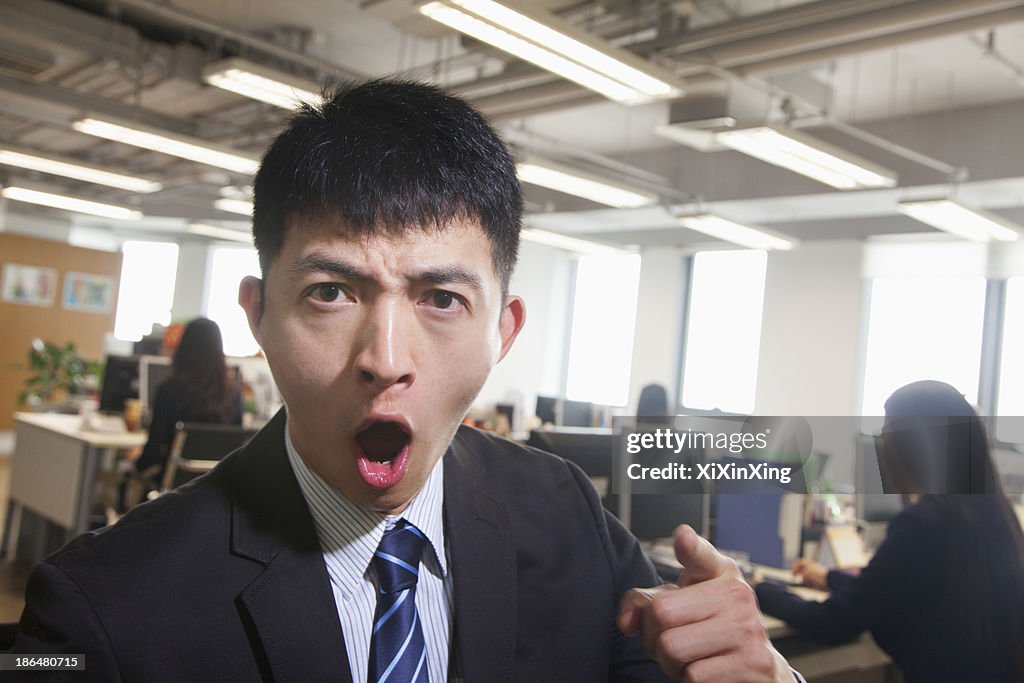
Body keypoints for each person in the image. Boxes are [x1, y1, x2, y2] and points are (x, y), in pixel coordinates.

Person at [11, 80, 798, 682]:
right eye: (330, 292)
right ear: (258, 313)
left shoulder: (562, 513)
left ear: (504, 332)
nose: (386, 357)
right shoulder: (98, 608)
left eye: (442, 299)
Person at [755, 380, 1024, 682]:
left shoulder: (923, 525)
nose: (881, 449)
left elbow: (834, 622)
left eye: (884, 436)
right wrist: (828, 577)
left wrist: (757, 588)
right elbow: (884, 588)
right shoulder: (992, 517)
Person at [134, 317, 243, 485]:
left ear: (183, 347)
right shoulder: (233, 394)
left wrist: (135, 466)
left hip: (173, 491)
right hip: (215, 491)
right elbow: (236, 449)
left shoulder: (169, 390)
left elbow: (153, 452)